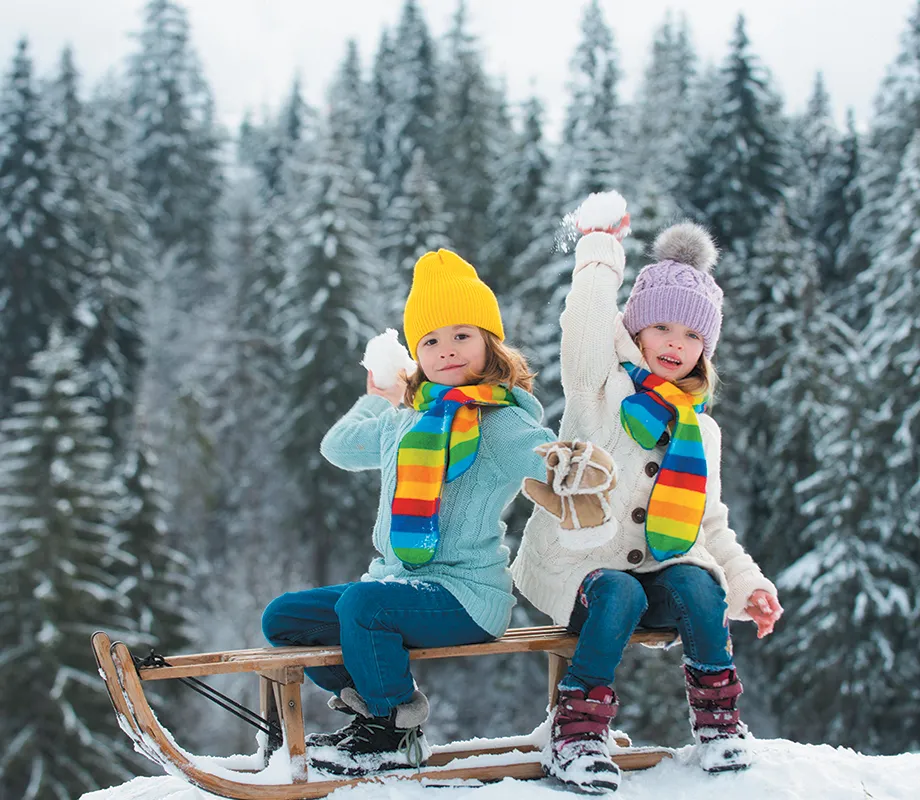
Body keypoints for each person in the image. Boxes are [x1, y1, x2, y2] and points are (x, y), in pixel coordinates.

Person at [511, 203, 784, 793]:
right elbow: (584, 325)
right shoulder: (600, 389)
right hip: (582, 571)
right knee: (618, 589)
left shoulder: (700, 430)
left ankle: (719, 725)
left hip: (657, 573)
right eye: (662, 327)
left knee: (697, 582)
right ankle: (577, 736)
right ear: (635, 329)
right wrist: (600, 249)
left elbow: (710, 529)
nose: (675, 344)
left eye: (692, 335)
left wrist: (749, 586)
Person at [261, 248, 559, 777]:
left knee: (363, 605)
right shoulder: (405, 422)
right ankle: (371, 707)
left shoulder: (501, 422)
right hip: (392, 587)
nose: (446, 350)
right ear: (416, 356)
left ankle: (394, 728)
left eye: (461, 335)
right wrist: (381, 394)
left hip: (467, 597)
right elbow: (338, 446)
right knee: (284, 619)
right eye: (430, 341)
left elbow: (551, 460)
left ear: (489, 341)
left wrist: (574, 465)